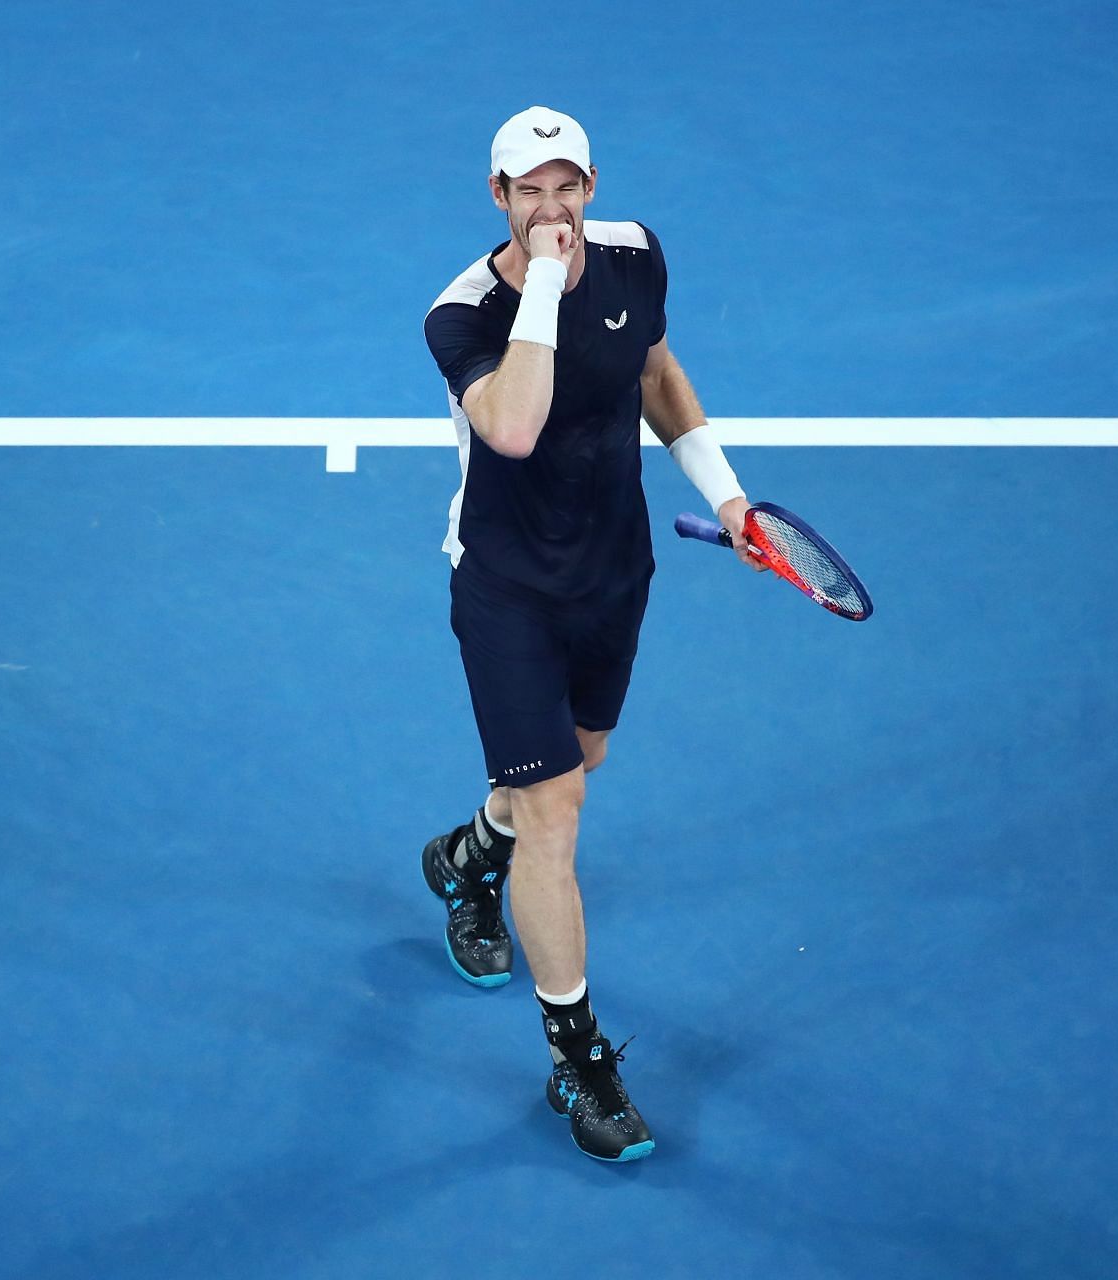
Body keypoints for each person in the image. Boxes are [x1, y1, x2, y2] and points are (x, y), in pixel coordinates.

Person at [421, 105, 759, 1163]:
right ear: (499, 199)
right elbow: (514, 426)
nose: (554, 208)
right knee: (556, 807)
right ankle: (579, 1055)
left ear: (592, 184)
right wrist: (551, 288)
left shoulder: (637, 253)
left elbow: (655, 372)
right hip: (510, 587)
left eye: (569, 186)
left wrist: (729, 492)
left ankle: (471, 858)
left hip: (616, 570)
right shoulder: (461, 314)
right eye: (531, 190)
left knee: (576, 763)